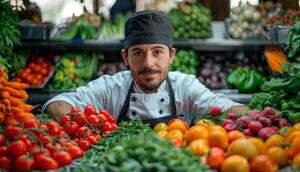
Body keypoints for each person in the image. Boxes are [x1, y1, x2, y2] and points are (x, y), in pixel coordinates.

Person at [43, 10, 247, 127]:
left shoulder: (185, 87)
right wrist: (90, 130)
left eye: (157, 52)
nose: (148, 63)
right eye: (138, 53)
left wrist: (257, 118)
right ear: (125, 57)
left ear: (171, 56)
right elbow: (58, 103)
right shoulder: (109, 87)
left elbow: (224, 107)